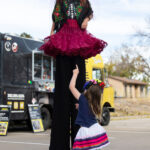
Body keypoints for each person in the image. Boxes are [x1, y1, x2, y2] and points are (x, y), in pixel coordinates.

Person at [39, 0, 107, 149]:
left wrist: (86, 19)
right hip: (63, 39)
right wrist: (51, 37)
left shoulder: (83, 2)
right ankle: (59, 145)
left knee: (79, 97)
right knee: (61, 97)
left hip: (78, 40)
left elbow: (89, 12)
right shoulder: (60, 1)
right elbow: (55, 20)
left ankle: (80, 143)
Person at [69, 65, 110, 150]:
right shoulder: (96, 103)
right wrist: (80, 107)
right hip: (95, 130)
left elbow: (71, 87)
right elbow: (87, 109)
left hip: (85, 131)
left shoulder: (82, 98)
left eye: (85, 89)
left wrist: (75, 73)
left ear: (87, 91)